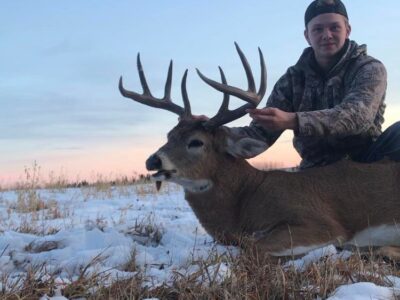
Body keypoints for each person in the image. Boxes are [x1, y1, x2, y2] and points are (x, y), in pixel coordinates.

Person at [231, 0, 400, 169]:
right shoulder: (291, 80)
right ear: (307, 36)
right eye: (318, 29)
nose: (327, 35)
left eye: (334, 27)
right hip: (315, 169)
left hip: (366, 161)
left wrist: (294, 120)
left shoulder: (369, 68)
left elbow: (357, 117)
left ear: (347, 30)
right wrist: (210, 130)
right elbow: (258, 134)